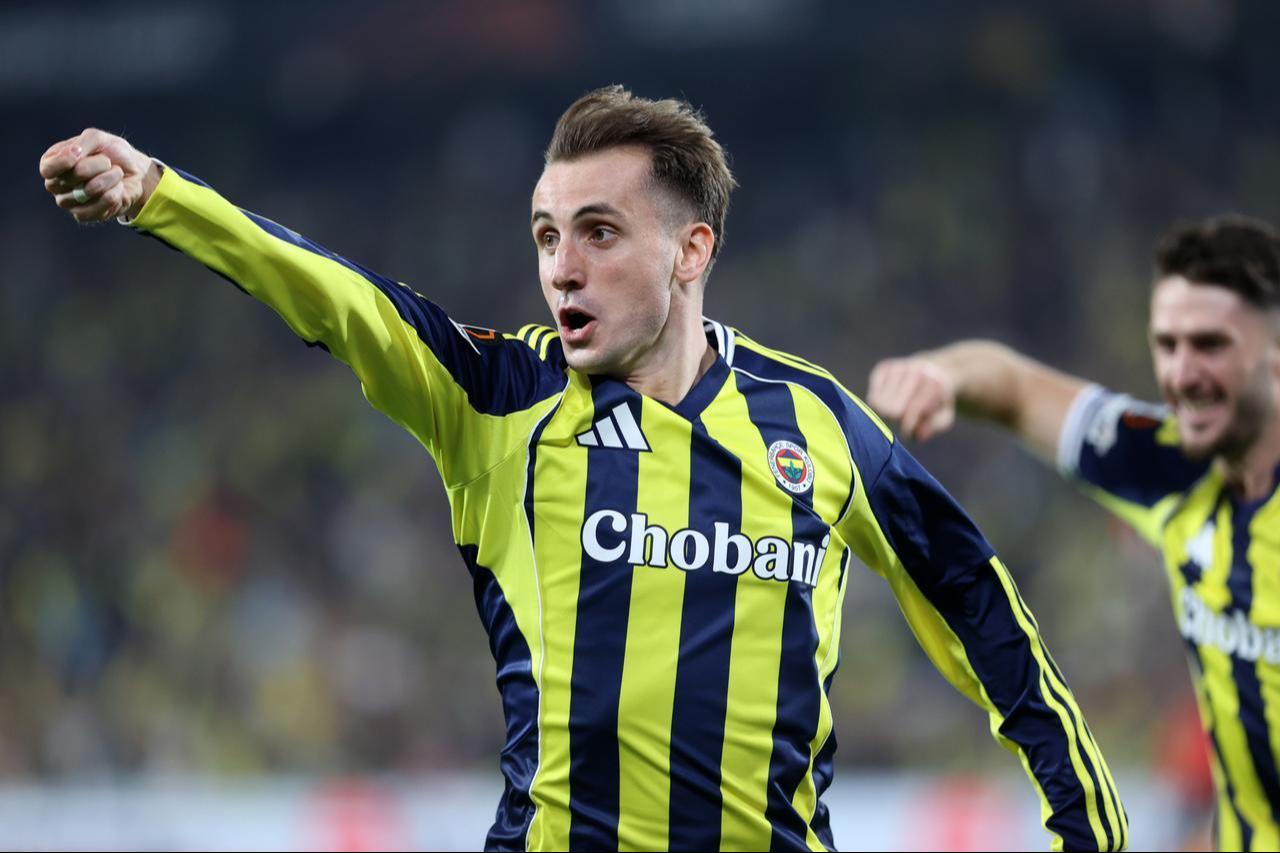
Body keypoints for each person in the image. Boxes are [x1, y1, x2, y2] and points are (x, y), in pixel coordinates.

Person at [39, 86, 1126, 852]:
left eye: (598, 231)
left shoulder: (818, 424)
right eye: (546, 232)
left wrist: (1088, 830)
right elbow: (339, 296)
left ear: (689, 251)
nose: (561, 263)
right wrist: (160, 197)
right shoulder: (497, 399)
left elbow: (985, 619)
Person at [866, 215, 1280, 851]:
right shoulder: (1168, 465)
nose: (1183, 373)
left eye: (1211, 345)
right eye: (1167, 345)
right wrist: (941, 375)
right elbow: (1014, 388)